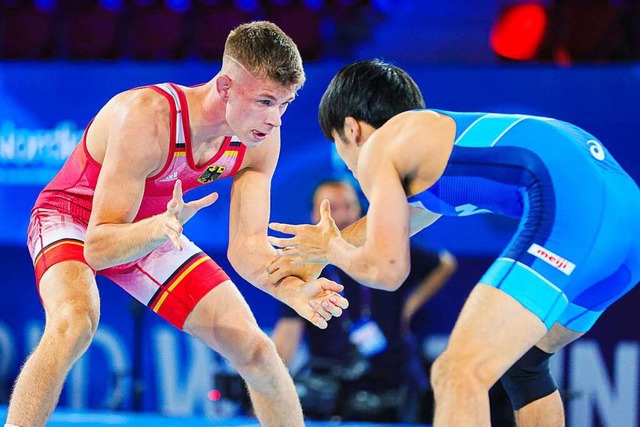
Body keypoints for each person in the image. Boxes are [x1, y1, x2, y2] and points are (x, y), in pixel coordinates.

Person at [5, 21, 349, 427]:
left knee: (256, 350)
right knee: (75, 322)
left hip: (156, 228)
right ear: (225, 87)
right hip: (74, 218)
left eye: (285, 104)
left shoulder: (259, 140)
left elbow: (247, 249)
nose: (275, 120)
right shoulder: (146, 117)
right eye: (265, 101)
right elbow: (97, 248)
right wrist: (156, 228)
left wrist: (292, 289)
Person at [267, 59, 640, 426]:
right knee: (525, 365)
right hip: (625, 221)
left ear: (352, 129)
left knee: (456, 372)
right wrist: (320, 252)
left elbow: (387, 270)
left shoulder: (380, 145)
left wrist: (332, 248)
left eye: (338, 145)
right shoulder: (428, 146)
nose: (348, 163)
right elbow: (405, 219)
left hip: (576, 205)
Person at [271, 179, 457, 422]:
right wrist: (269, 389)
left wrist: (410, 305)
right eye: (330, 208)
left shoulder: (385, 247)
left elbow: (441, 261)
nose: (340, 215)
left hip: (394, 378)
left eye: (348, 206)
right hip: (334, 385)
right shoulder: (305, 267)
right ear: (312, 215)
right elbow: (288, 332)